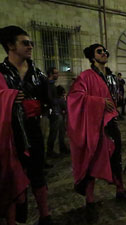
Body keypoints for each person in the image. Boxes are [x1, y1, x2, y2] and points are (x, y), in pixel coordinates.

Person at [67, 43, 126, 216]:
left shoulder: (110, 76)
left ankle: (120, 189)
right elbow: (75, 97)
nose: (104, 53)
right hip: (94, 124)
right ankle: (90, 200)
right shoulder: (85, 76)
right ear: (92, 57)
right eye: (99, 52)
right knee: (92, 157)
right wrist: (99, 102)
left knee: (116, 156)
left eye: (105, 51)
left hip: (110, 122)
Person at [0, 26, 52, 225]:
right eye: (25, 42)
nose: (30, 46)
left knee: (38, 172)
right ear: (11, 46)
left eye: (31, 43)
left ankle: (45, 216)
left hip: (33, 130)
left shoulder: (37, 73)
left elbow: (49, 99)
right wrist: (10, 100)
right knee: (12, 176)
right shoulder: (0, 73)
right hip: (9, 133)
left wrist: (41, 106)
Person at [46, 67, 68, 157]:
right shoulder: (48, 84)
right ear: (51, 74)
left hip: (57, 111)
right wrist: (60, 100)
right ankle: (50, 151)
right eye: (56, 73)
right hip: (54, 112)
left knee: (61, 131)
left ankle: (62, 148)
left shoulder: (52, 84)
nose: (57, 75)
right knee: (53, 133)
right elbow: (50, 99)